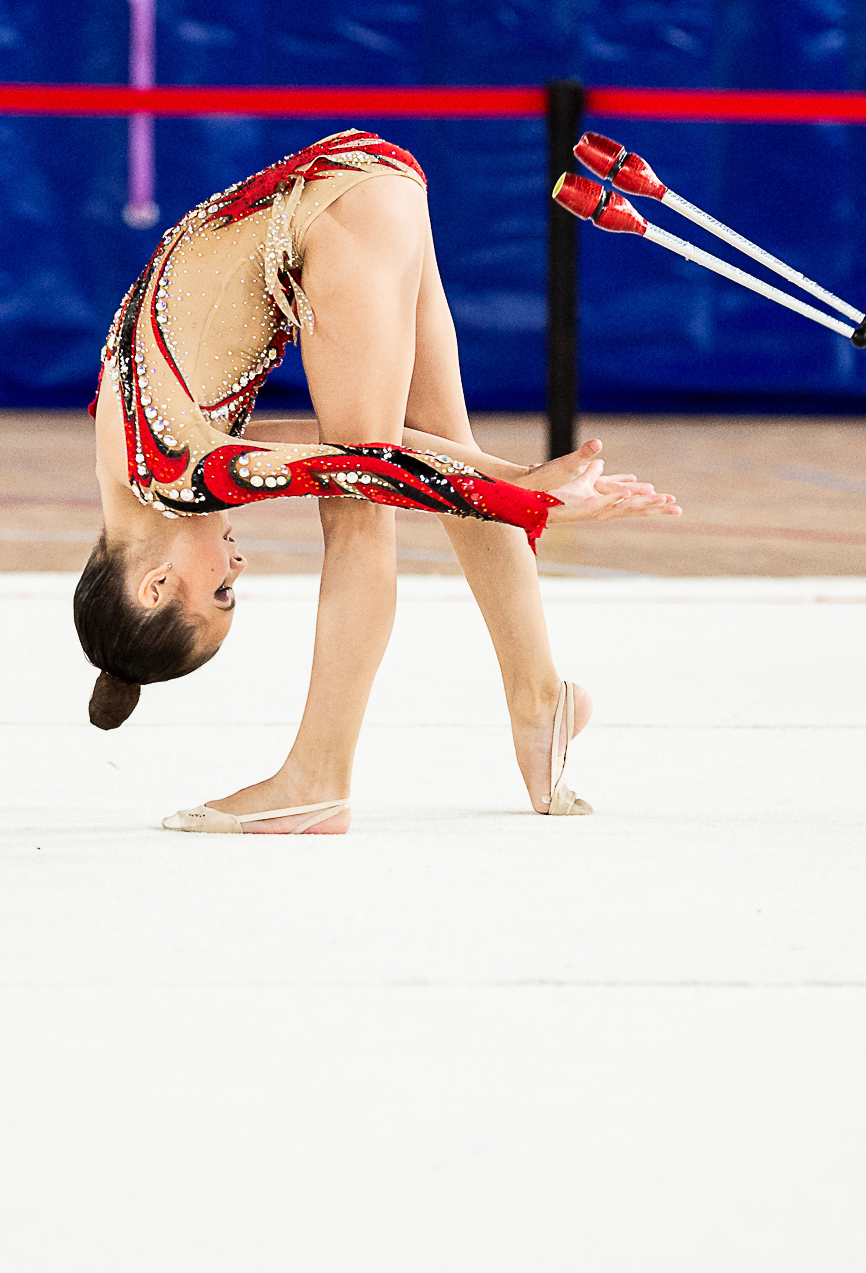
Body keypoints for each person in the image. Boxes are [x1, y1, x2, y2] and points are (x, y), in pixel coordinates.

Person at [79, 130, 678, 835]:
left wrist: (530, 502)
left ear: (154, 585)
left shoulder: (175, 474)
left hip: (338, 214)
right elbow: (360, 450)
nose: (238, 568)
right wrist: (519, 480)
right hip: (360, 187)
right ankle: (540, 696)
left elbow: (364, 468)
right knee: (439, 440)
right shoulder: (134, 459)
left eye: (221, 591)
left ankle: (317, 777)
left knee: (356, 514)